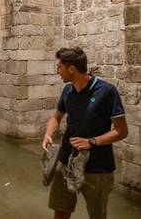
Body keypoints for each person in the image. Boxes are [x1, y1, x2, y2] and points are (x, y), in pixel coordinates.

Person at [42, 47, 128, 219]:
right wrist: (48, 133)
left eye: (60, 67)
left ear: (71, 69)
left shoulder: (107, 91)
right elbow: (56, 117)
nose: (57, 71)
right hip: (66, 163)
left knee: (97, 215)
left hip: (97, 168)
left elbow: (121, 131)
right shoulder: (67, 91)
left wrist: (92, 141)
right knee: (60, 211)